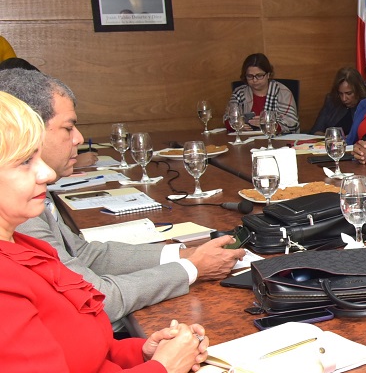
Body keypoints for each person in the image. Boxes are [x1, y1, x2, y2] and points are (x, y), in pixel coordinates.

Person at [0, 90, 209, 373]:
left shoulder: (24, 245)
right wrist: (160, 371)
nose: (47, 173)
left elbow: (77, 354)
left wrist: (143, 353)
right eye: (24, 162)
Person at [0, 69, 244, 328]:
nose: (79, 138)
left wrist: (183, 253)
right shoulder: (19, 210)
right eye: (68, 127)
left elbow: (83, 254)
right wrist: (191, 268)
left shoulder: (34, 192)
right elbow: (97, 298)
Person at [226, 53, 299, 134]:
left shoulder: (282, 92)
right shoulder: (239, 92)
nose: (254, 80)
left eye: (259, 75)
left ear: (268, 75)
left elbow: (292, 124)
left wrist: (270, 124)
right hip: (246, 140)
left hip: (277, 140)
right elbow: (228, 120)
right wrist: (239, 126)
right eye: (250, 76)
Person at [310, 66, 366, 135]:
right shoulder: (332, 100)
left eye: (348, 93)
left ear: (358, 90)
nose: (344, 99)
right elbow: (316, 130)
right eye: (340, 93)